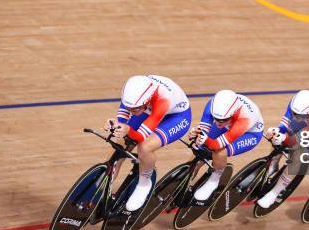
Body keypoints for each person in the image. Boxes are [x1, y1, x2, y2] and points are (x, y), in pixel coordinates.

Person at [105, 75, 192, 211]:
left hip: (175, 117)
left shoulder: (163, 100)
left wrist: (127, 129)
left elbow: (140, 136)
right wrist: (117, 125)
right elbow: (124, 116)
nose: (131, 111)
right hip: (149, 109)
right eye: (129, 108)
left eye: (135, 109)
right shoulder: (133, 94)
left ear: (146, 101)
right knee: (120, 145)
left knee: (145, 147)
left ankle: (144, 184)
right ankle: (102, 188)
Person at [258, 90, 309, 208]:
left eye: (298, 115)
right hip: (308, 118)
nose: (295, 117)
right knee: (279, 135)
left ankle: (274, 194)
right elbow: (285, 121)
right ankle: (274, 164)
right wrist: (278, 132)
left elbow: (297, 138)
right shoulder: (295, 104)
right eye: (294, 113)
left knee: (299, 156)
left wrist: (285, 138)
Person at [188, 90, 264, 201]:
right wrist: (197, 133)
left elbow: (217, 145)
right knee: (199, 150)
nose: (218, 122)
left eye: (222, 120)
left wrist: (206, 140)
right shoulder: (213, 105)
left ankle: (214, 180)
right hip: (229, 125)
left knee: (219, 152)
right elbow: (203, 130)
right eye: (215, 118)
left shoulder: (245, 119)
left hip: (250, 134)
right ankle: (187, 177)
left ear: (232, 114)